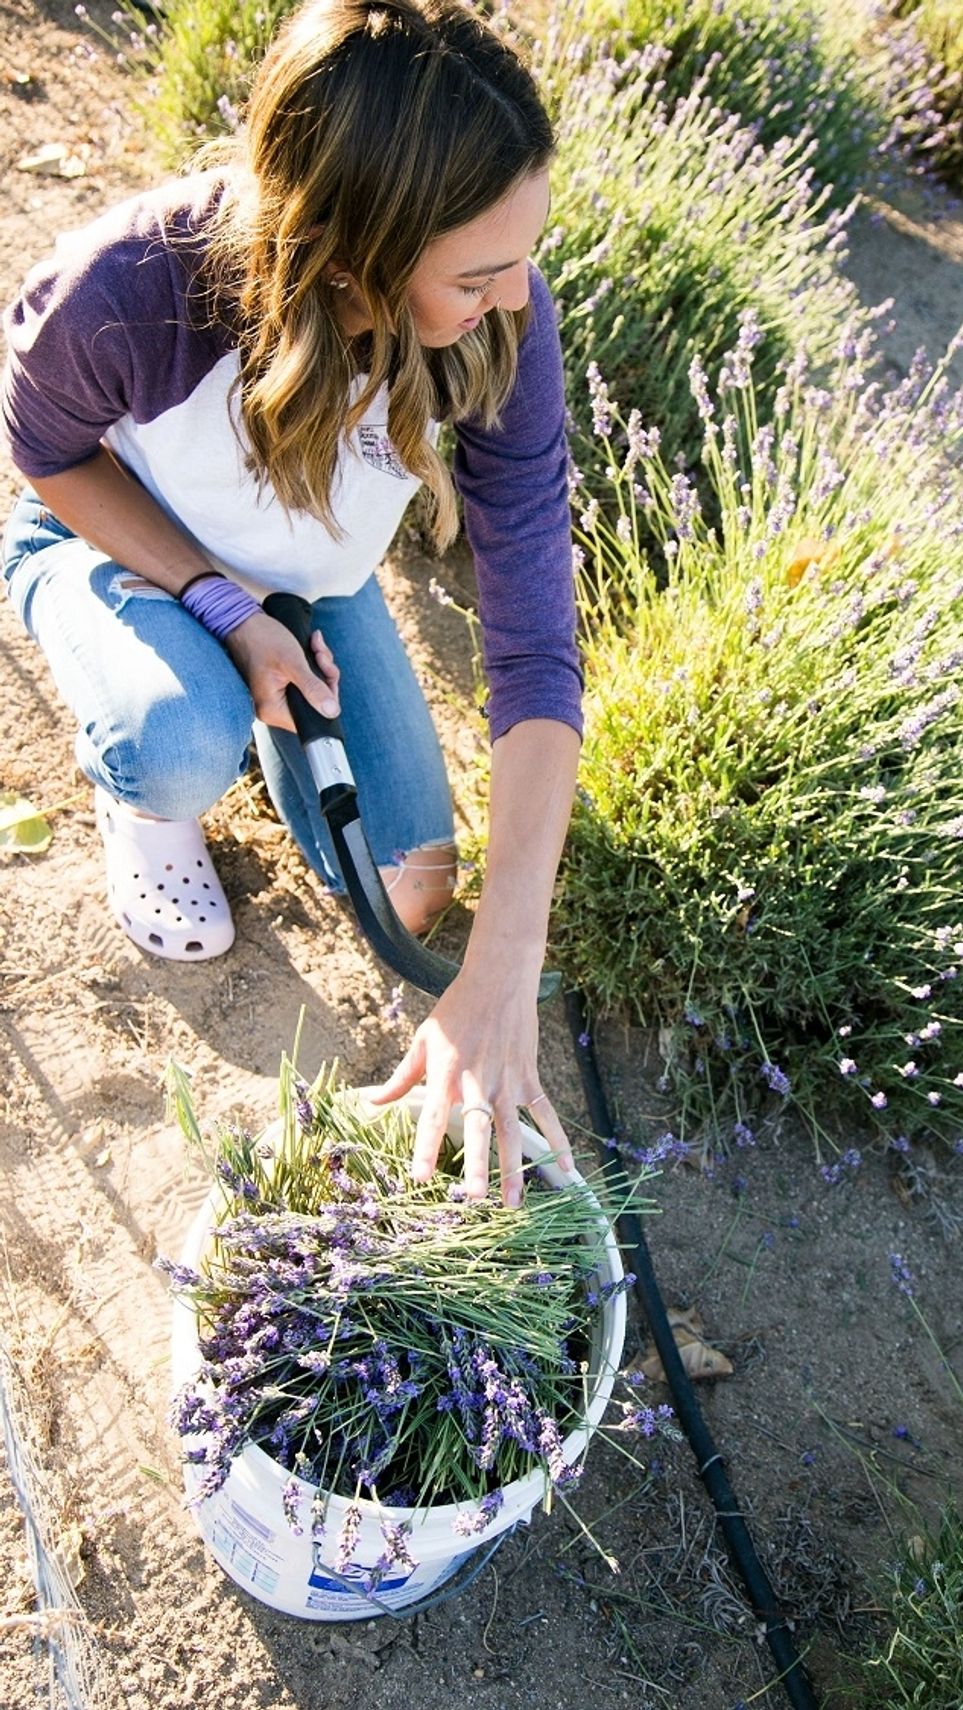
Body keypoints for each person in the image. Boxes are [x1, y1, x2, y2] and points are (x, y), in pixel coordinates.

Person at [1, 0, 583, 1206]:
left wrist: (501, 962)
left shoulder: (507, 313)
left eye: (522, 251)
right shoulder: (133, 286)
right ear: (352, 251)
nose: (518, 291)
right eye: (478, 270)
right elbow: (43, 448)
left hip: (308, 577)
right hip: (107, 537)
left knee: (414, 886)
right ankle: (149, 791)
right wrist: (219, 605)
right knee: (178, 743)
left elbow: (534, 644)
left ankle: (266, 698)